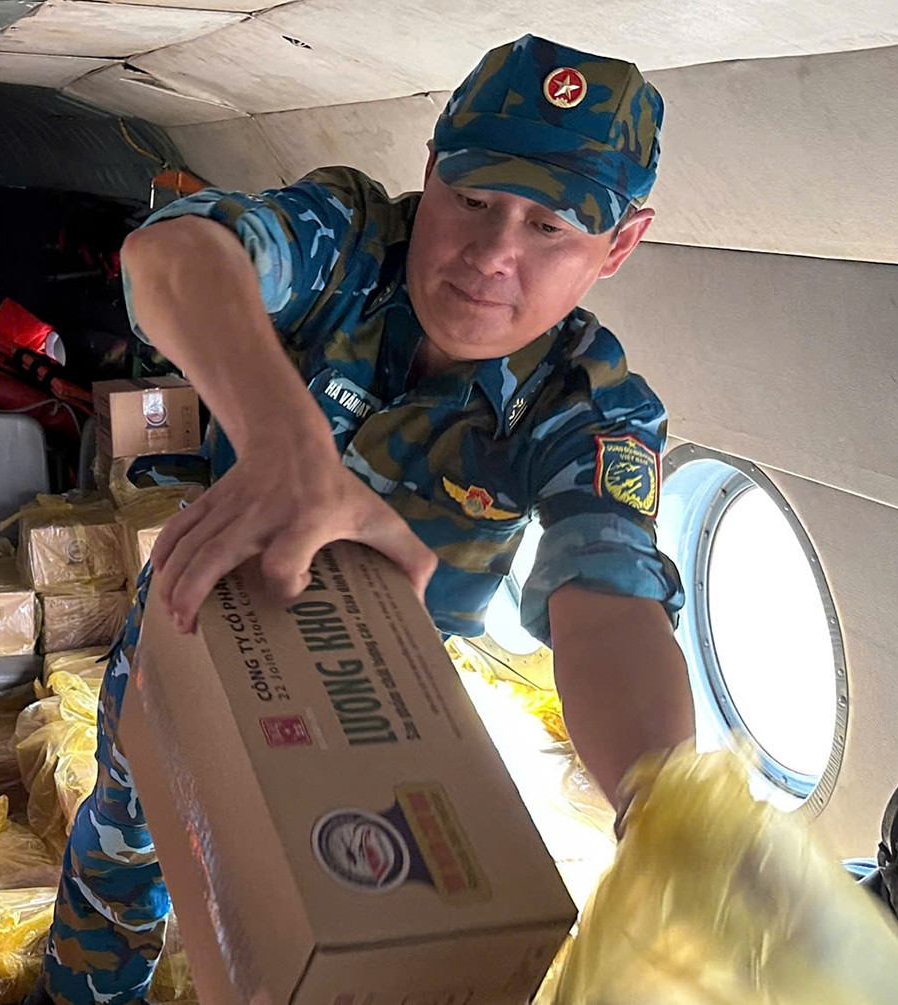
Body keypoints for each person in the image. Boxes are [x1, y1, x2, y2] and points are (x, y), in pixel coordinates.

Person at [34, 34, 693, 1005]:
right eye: (471, 202)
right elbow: (168, 257)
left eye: (550, 226)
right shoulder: (348, 242)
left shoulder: (585, 404)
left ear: (619, 245)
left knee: (337, 934)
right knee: (119, 844)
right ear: (429, 173)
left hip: (375, 712)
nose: (492, 257)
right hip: (195, 616)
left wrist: (671, 817)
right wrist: (287, 446)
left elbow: (610, 602)